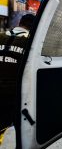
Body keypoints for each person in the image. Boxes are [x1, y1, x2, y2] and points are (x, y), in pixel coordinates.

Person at [0, 14, 35, 144]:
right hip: (15, 95)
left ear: (20, 22)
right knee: (16, 133)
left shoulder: (1, 35)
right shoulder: (30, 43)